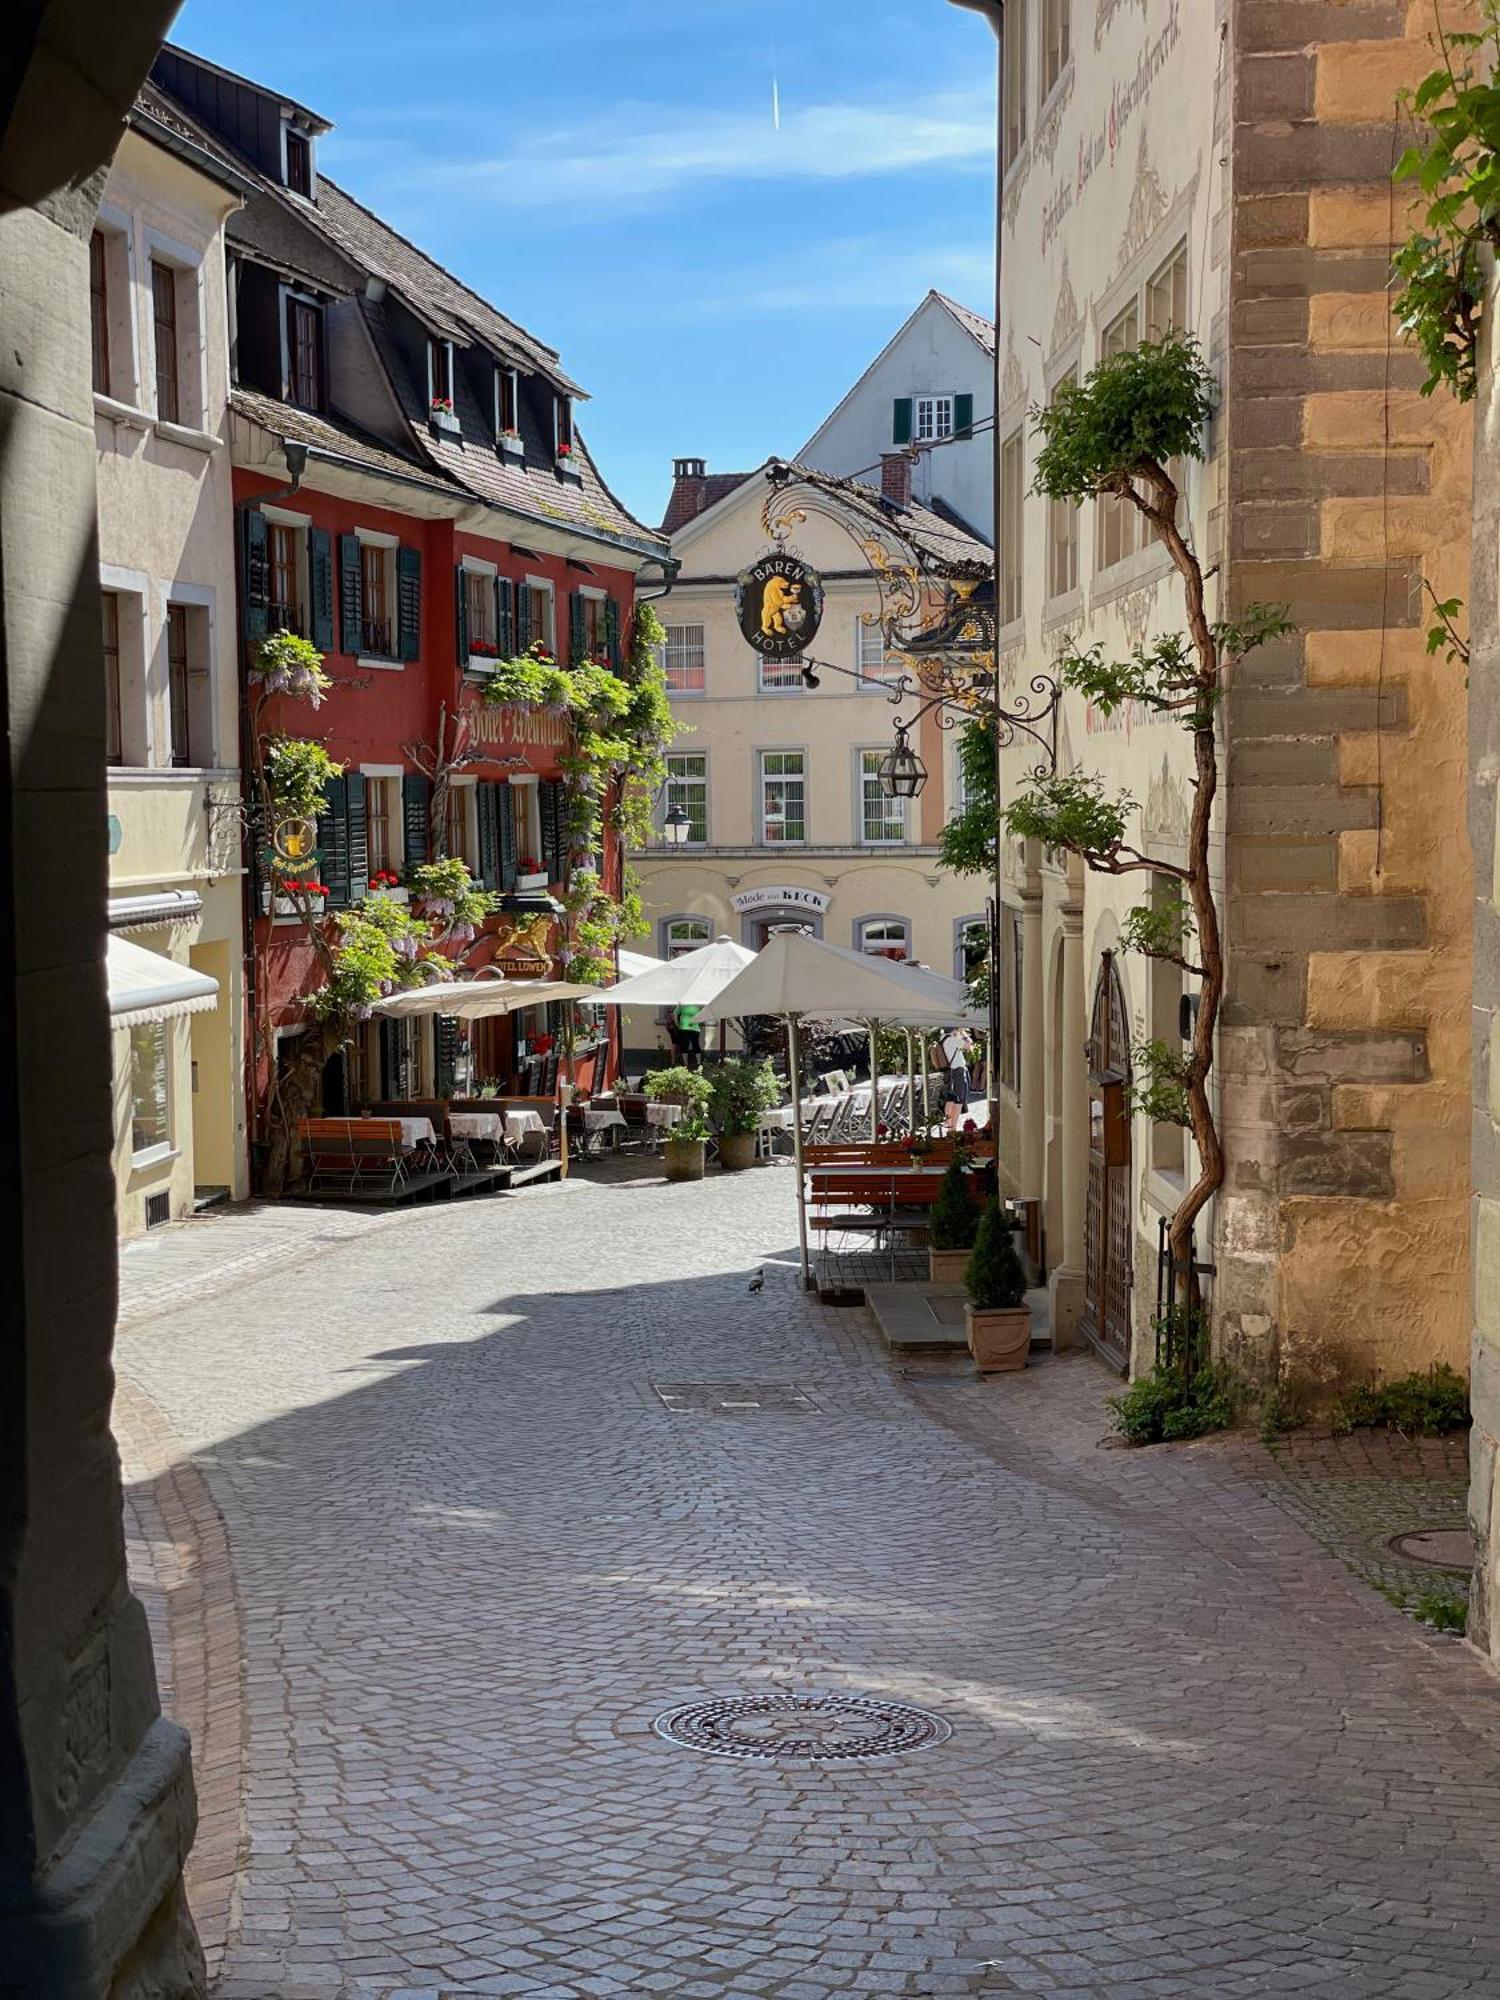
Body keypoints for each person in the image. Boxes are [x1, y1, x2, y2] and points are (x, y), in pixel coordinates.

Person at [936, 1025, 975, 1131]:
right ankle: (952, 1128)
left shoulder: (943, 1038)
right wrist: (963, 1033)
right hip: (958, 1072)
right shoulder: (952, 1040)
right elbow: (970, 1046)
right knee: (959, 1100)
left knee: (951, 1099)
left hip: (951, 1072)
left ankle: (949, 1125)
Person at [675, 1002, 703, 1068]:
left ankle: (685, 1064)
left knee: (684, 1046)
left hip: (684, 1027)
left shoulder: (681, 1004)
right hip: (695, 1028)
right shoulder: (698, 1004)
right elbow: (702, 1016)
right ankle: (699, 1064)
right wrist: (700, 1024)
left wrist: (678, 1025)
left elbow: (674, 1015)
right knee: (696, 1045)